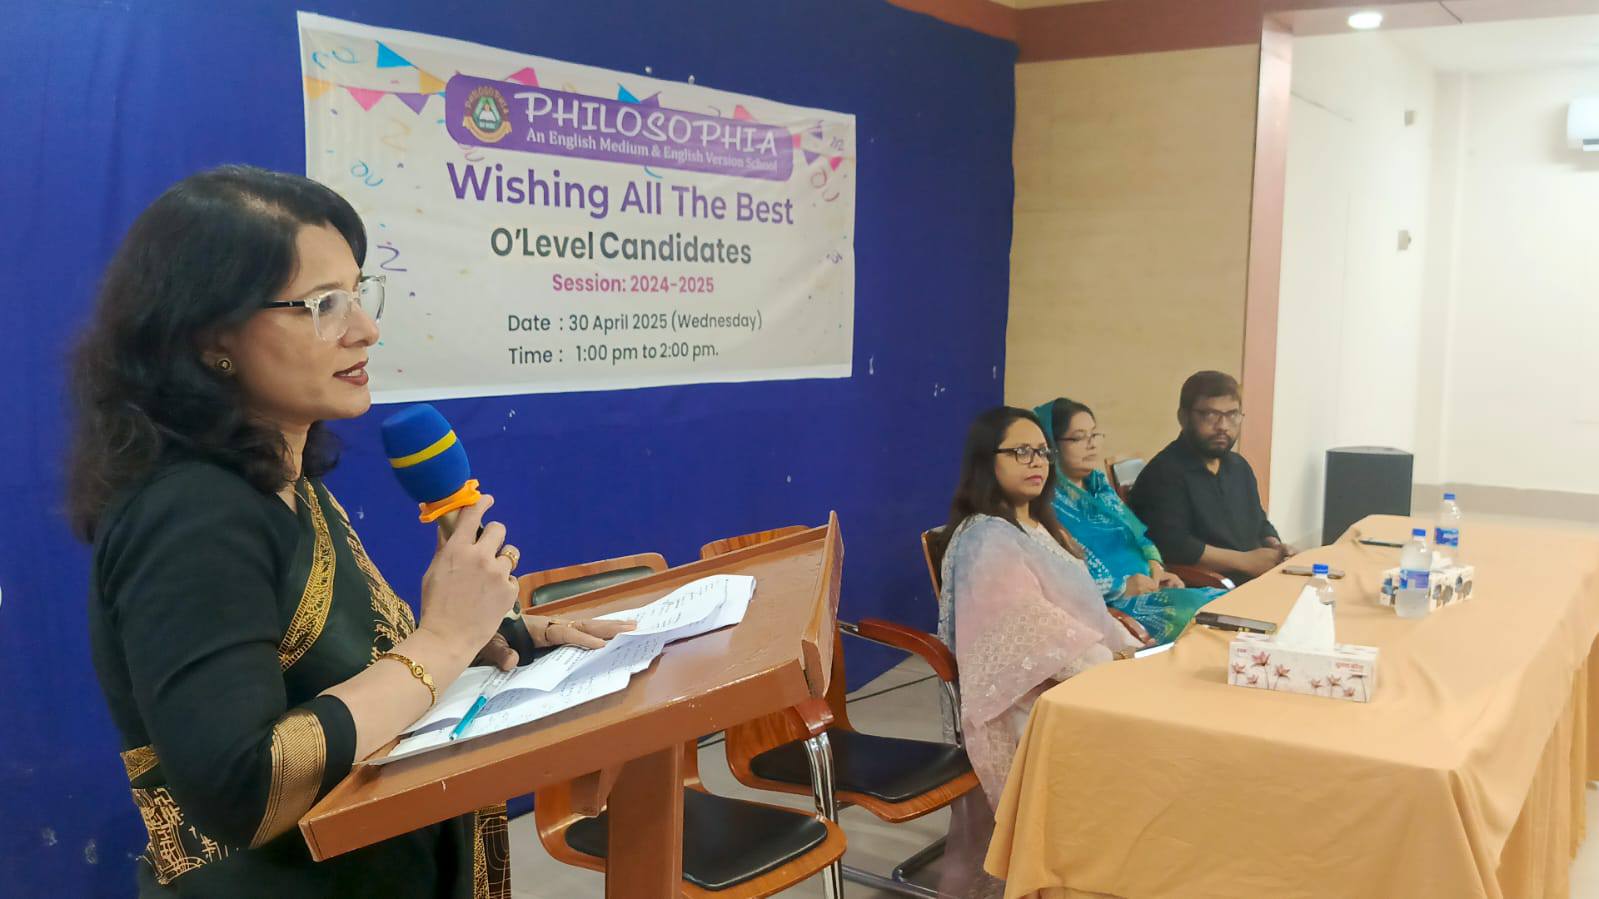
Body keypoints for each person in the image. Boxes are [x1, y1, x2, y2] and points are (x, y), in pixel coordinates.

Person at [69, 166, 632, 897]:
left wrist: (487, 639)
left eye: (359, 293)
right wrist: (441, 641)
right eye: (323, 304)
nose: (365, 329)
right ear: (210, 336)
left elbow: (331, 677)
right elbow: (242, 789)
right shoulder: (190, 514)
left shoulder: (283, 480)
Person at [932, 407, 1147, 898]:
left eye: (1042, 452)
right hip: (1025, 699)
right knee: (1136, 736)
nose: (1037, 462)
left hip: (1073, 678)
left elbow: (1084, 612)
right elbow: (1029, 633)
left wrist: (1129, 651)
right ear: (987, 460)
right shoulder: (986, 536)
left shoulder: (1041, 526)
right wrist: (1110, 665)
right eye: (1020, 451)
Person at [1035, 397, 1223, 644]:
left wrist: (1157, 569)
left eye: (1094, 435)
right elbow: (1060, 584)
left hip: (1150, 589)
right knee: (1201, 619)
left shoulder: (1100, 488)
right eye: (1079, 438)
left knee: (1227, 604)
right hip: (1113, 609)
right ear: (1052, 446)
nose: (1092, 445)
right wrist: (1121, 588)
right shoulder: (1046, 506)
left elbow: (1140, 537)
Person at [1127, 371, 1292, 583]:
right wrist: (1244, 561)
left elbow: (1258, 521)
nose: (1223, 426)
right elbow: (1173, 545)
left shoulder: (1239, 467)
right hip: (1210, 586)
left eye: (1232, 415)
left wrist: (1276, 547)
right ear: (1183, 417)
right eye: (1210, 415)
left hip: (1256, 579)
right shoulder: (1163, 473)